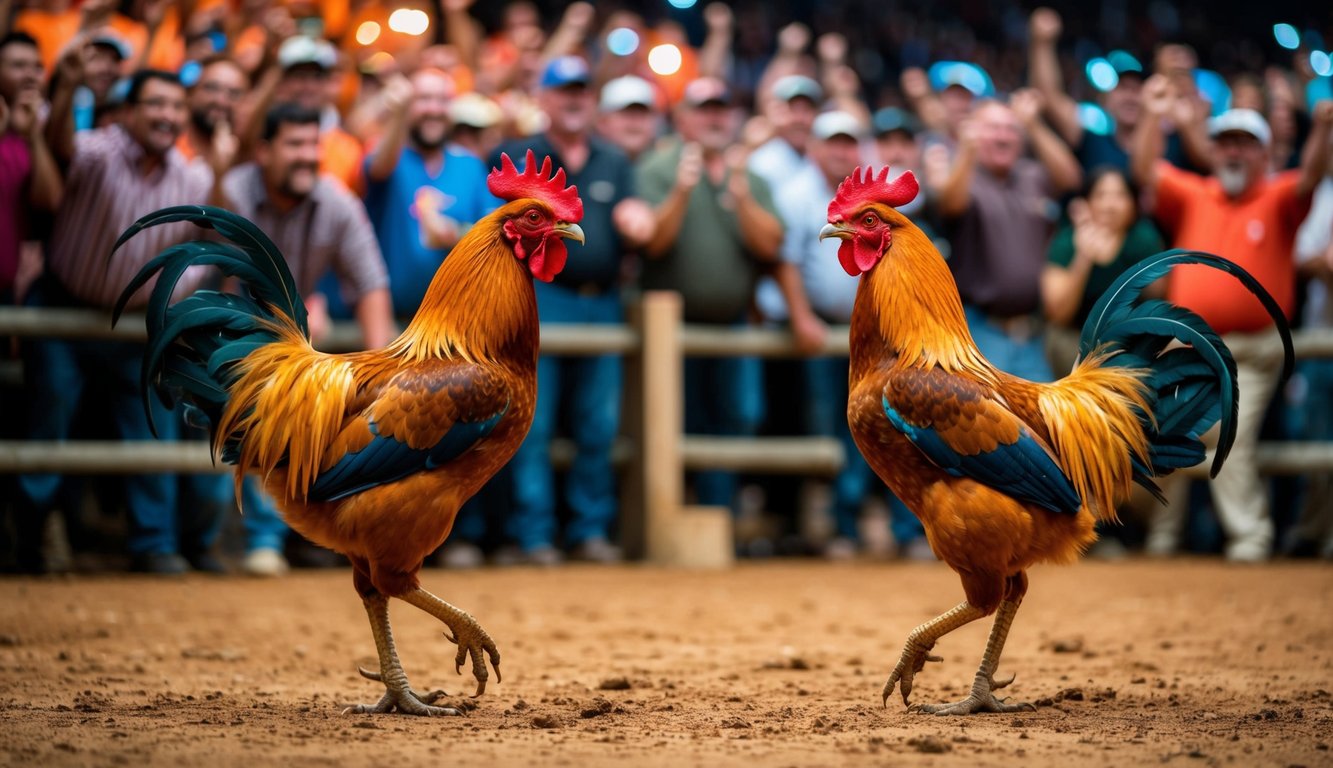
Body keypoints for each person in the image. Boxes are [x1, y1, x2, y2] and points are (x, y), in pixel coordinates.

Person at [20, 68, 235, 575]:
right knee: (49, 420)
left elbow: (220, 230)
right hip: (64, 311)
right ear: (129, 112)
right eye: (156, 104)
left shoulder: (194, 174)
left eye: (176, 107)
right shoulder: (97, 151)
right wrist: (69, 85)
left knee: (152, 429)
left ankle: (153, 545)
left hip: (141, 326)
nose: (168, 115)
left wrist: (223, 169)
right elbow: (59, 149)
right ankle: (30, 539)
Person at [1131, 76, 1333, 561]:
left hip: (1252, 351)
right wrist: (1152, 116)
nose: (1233, 153)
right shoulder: (1195, 192)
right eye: (1225, 143)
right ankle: (1163, 535)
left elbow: (1310, 176)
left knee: (1229, 434)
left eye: (1245, 144)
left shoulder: (1281, 194)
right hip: (1188, 345)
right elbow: (1144, 172)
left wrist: (1323, 127)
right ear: (1212, 151)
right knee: (1164, 430)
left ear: (1266, 154)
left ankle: (1250, 536)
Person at [489, 55, 654, 566]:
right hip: (540, 299)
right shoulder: (517, 154)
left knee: (597, 425)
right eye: (565, 90)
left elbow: (634, 222)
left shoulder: (614, 160)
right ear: (544, 98)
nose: (575, 98)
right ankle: (533, 534)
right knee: (531, 423)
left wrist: (637, 221)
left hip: (602, 303)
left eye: (583, 89)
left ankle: (588, 531)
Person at [216, 102, 394, 575]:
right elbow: (216, 279)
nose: (307, 156)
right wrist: (292, 318)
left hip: (296, 343)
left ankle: (278, 538)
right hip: (230, 330)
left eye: (314, 144)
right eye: (294, 144)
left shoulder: (336, 201)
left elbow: (370, 282)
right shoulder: (233, 192)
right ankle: (237, 538)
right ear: (263, 150)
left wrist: (386, 373)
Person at [636, 76, 784, 514]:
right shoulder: (656, 169)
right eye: (704, 108)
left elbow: (771, 245)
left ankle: (719, 515)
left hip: (733, 323)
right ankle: (673, 513)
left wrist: (740, 198)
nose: (715, 117)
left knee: (739, 415)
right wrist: (682, 190)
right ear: (682, 119)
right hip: (671, 326)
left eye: (722, 108)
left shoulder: (751, 179)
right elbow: (654, 244)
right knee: (676, 421)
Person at [926, 93, 1082, 383]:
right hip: (980, 329)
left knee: (1038, 424)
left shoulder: (1031, 175)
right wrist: (966, 151)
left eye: (1011, 128)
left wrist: (1033, 125)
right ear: (972, 131)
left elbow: (1071, 178)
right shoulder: (964, 174)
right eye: (993, 128)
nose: (1004, 136)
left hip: (1032, 333)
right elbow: (949, 203)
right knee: (987, 422)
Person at [1026, 7, 1208, 175]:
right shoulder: (1092, 139)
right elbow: (1049, 97)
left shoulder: (1174, 141)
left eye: (1137, 89)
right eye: (1122, 89)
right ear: (1105, 100)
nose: (1130, 97)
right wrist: (1042, 44)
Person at [1040, 166, 1164, 376]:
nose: (1110, 205)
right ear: (1086, 204)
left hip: (1131, 345)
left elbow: (1160, 295)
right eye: (1101, 195)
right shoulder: (1067, 242)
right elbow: (1058, 314)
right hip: (1075, 344)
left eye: (1120, 196)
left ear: (1134, 205)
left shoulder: (1143, 239)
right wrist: (1084, 257)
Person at [1, 31, 61, 304]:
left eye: (37, 67)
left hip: (12, 288)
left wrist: (35, 135)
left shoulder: (47, 126)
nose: (30, 75)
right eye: (18, 66)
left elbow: (49, 200)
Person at [595, 75, 660, 163]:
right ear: (602, 122)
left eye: (643, 114)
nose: (636, 121)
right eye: (626, 113)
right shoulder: (583, 165)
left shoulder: (670, 166)